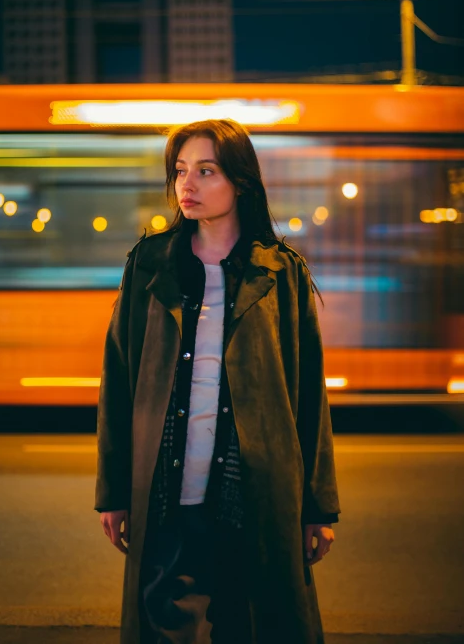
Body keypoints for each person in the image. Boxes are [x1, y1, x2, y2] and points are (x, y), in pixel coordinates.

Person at [95, 118, 341, 644]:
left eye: (206, 171)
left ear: (241, 181)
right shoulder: (150, 263)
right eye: (181, 171)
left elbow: (307, 396)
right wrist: (113, 492)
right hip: (166, 492)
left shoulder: (280, 272)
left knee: (254, 627)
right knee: (165, 627)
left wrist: (317, 507)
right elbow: (118, 381)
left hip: (254, 497)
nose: (188, 184)